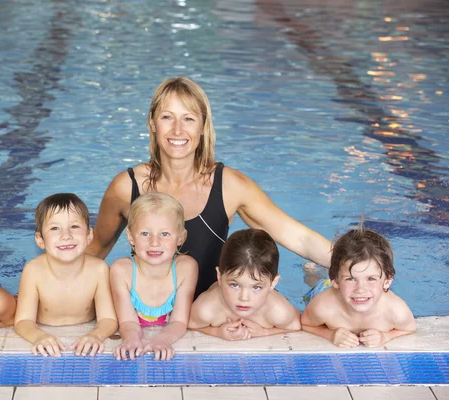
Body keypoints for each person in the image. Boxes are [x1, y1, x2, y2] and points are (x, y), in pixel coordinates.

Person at [87, 76, 331, 298]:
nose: (177, 130)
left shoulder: (229, 186)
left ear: (203, 127)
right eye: (166, 117)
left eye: (189, 119)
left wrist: (357, 264)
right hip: (149, 313)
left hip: (211, 312)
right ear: (152, 123)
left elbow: (300, 239)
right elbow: (94, 253)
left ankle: (313, 275)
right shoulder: (126, 187)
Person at [14, 193, 118, 357]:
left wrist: (95, 335)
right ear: (40, 239)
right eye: (55, 228)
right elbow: (22, 321)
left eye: (74, 227)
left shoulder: (99, 269)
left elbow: (109, 319)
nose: (66, 236)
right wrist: (39, 336)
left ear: (89, 235)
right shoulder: (33, 270)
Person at [110, 192, 198, 361]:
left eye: (165, 234)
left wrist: (162, 340)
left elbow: (179, 322)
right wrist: (131, 339)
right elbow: (128, 322)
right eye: (145, 233)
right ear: (130, 237)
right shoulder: (122, 271)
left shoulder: (185, 269)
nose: (154, 242)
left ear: (180, 238)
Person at [301, 228, 417, 347]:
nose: (360, 289)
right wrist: (330, 334)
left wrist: (384, 337)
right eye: (351, 279)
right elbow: (306, 324)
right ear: (335, 281)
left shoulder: (396, 311)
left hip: (343, 289)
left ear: (387, 282)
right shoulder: (323, 306)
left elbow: (409, 329)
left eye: (371, 279)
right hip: (324, 289)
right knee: (315, 281)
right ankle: (311, 273)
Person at [189, 229, 301, 340]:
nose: (244, 298)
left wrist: (264, 332)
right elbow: (191, 324)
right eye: (234, 285)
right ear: (219, 277)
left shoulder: (278, 311)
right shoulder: (206, 309)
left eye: (256, 287)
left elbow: (296, 325)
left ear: (273, 283)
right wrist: (217, 332)